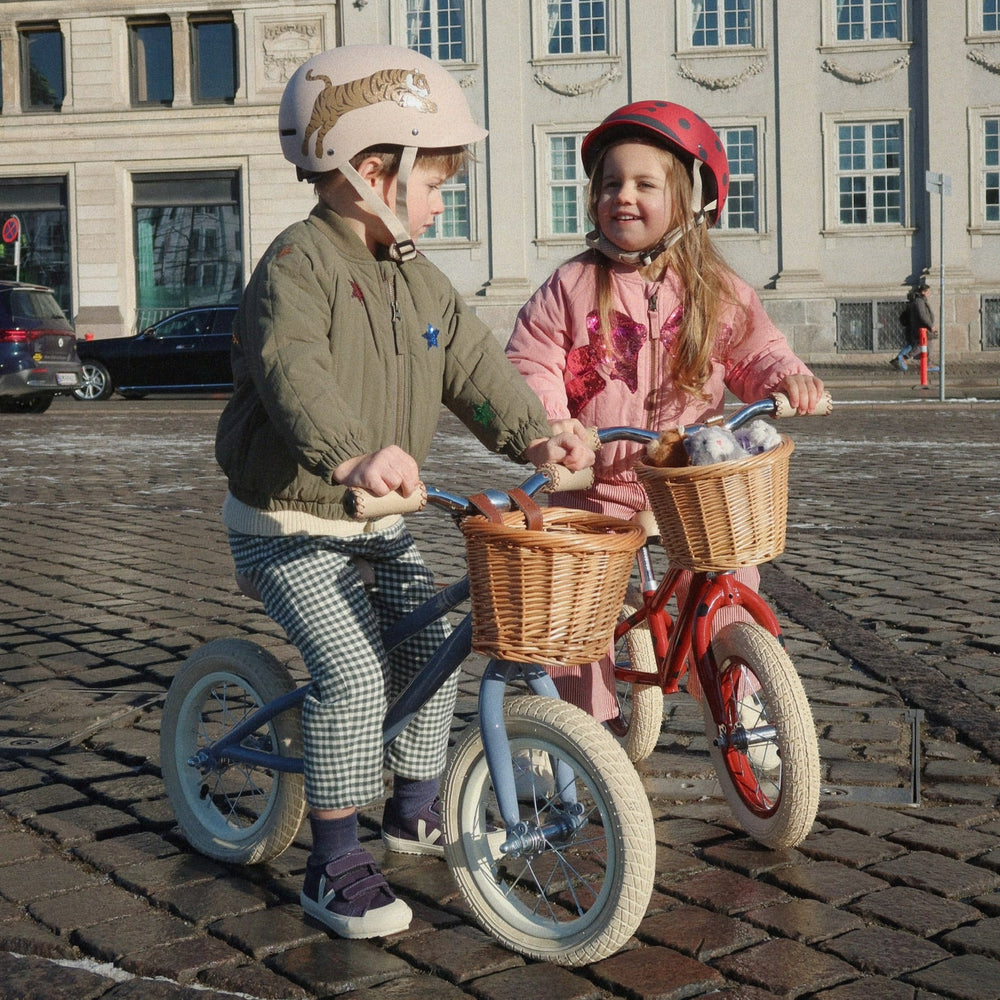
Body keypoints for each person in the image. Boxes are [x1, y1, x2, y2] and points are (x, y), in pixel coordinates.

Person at [214, 44, 594, 941]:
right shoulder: (296, 266)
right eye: (434, 178)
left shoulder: (418, 274)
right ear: (370, 171)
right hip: (289, 519)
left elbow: (472, 365)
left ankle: (413, 801)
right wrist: (349, 456)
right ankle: (333, 858)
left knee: (428, 638)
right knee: (350, 673)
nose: (442, 195)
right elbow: (292, 370)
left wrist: (537, 431)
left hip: (373, 521)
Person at [506, 100, 826, 722]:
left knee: (728, 579)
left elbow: (755, 347)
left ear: (688, 201)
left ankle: (743, 703)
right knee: (574, 605)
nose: (622, 196)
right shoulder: (572, 285)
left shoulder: (715, 287)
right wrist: (553, 427)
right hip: (593, 480)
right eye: (610, 183)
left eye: (644, 184)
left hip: (686, 482)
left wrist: (787, 377)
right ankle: (580, 726)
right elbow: (531, 358)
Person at [891, 281, 937, 370]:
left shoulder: (921, 300)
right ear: (923, 292)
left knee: (928, 346)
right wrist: (930, 325)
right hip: (921, 328)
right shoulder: (919, 301)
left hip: (923, 327)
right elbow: (922, 315)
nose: (929, 293)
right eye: (928, 291)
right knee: (921, 345)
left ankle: (928, 363)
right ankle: (904, 357)